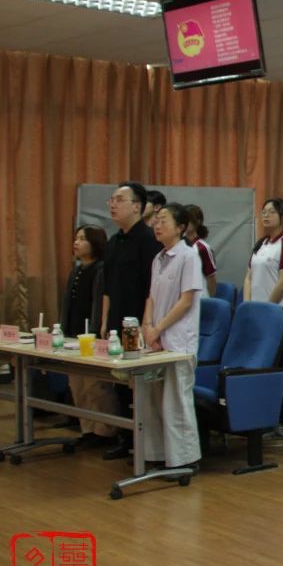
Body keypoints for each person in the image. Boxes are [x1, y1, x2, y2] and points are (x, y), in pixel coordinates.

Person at [100, 181, 163, 459]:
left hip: (139, 323)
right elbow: (107, 287)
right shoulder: (114, 242)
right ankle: (125, 438)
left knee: (139, 384)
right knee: (119, 382)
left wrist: (147, 324)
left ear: (137, 206)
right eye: (111, 200)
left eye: (119, 200)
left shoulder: (149, 241)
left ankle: (144, 442)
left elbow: (153, 289)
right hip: (116, 322)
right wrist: (104, 321)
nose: (112, 204)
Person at [140, 203, 202, 471]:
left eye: (164, 220)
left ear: (180, 227)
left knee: (176, 401)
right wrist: (147, 326)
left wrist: (159, 328)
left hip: (178, 341)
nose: (157, 225)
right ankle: (156, 454)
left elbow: (186, 301)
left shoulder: (189, 256)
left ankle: (186, 459)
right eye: (156, 220)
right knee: (153, 400)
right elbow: (151, 297)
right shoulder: (158, 258)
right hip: (156, 340)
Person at [64, 225, 112, 446]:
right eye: (76, 238)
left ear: (95, 243)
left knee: (95, 386)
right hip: (73, 334)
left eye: (82, 239)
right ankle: (87, 429)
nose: (76, 242)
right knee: (77, 385)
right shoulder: (75, 271)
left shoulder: (101, 270)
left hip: (91, 336)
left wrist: (95, 332)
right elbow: (68, 303)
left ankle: (104, 431)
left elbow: (98, 305)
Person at [244, 198, 283, 335]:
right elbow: (249, 278)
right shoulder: (261, 243)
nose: (266, 215)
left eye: (272, 212)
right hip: (256, 312)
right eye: (264, 212)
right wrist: (247, 306)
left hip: (278, 312)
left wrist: (266, 308)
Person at [184, 204, 218, 297]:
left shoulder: (202, 247)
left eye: (188, 220)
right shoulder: (179, 245)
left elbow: (211, 277)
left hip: (200, 297)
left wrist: (209, 300)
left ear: (198, 221)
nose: (184, 223)